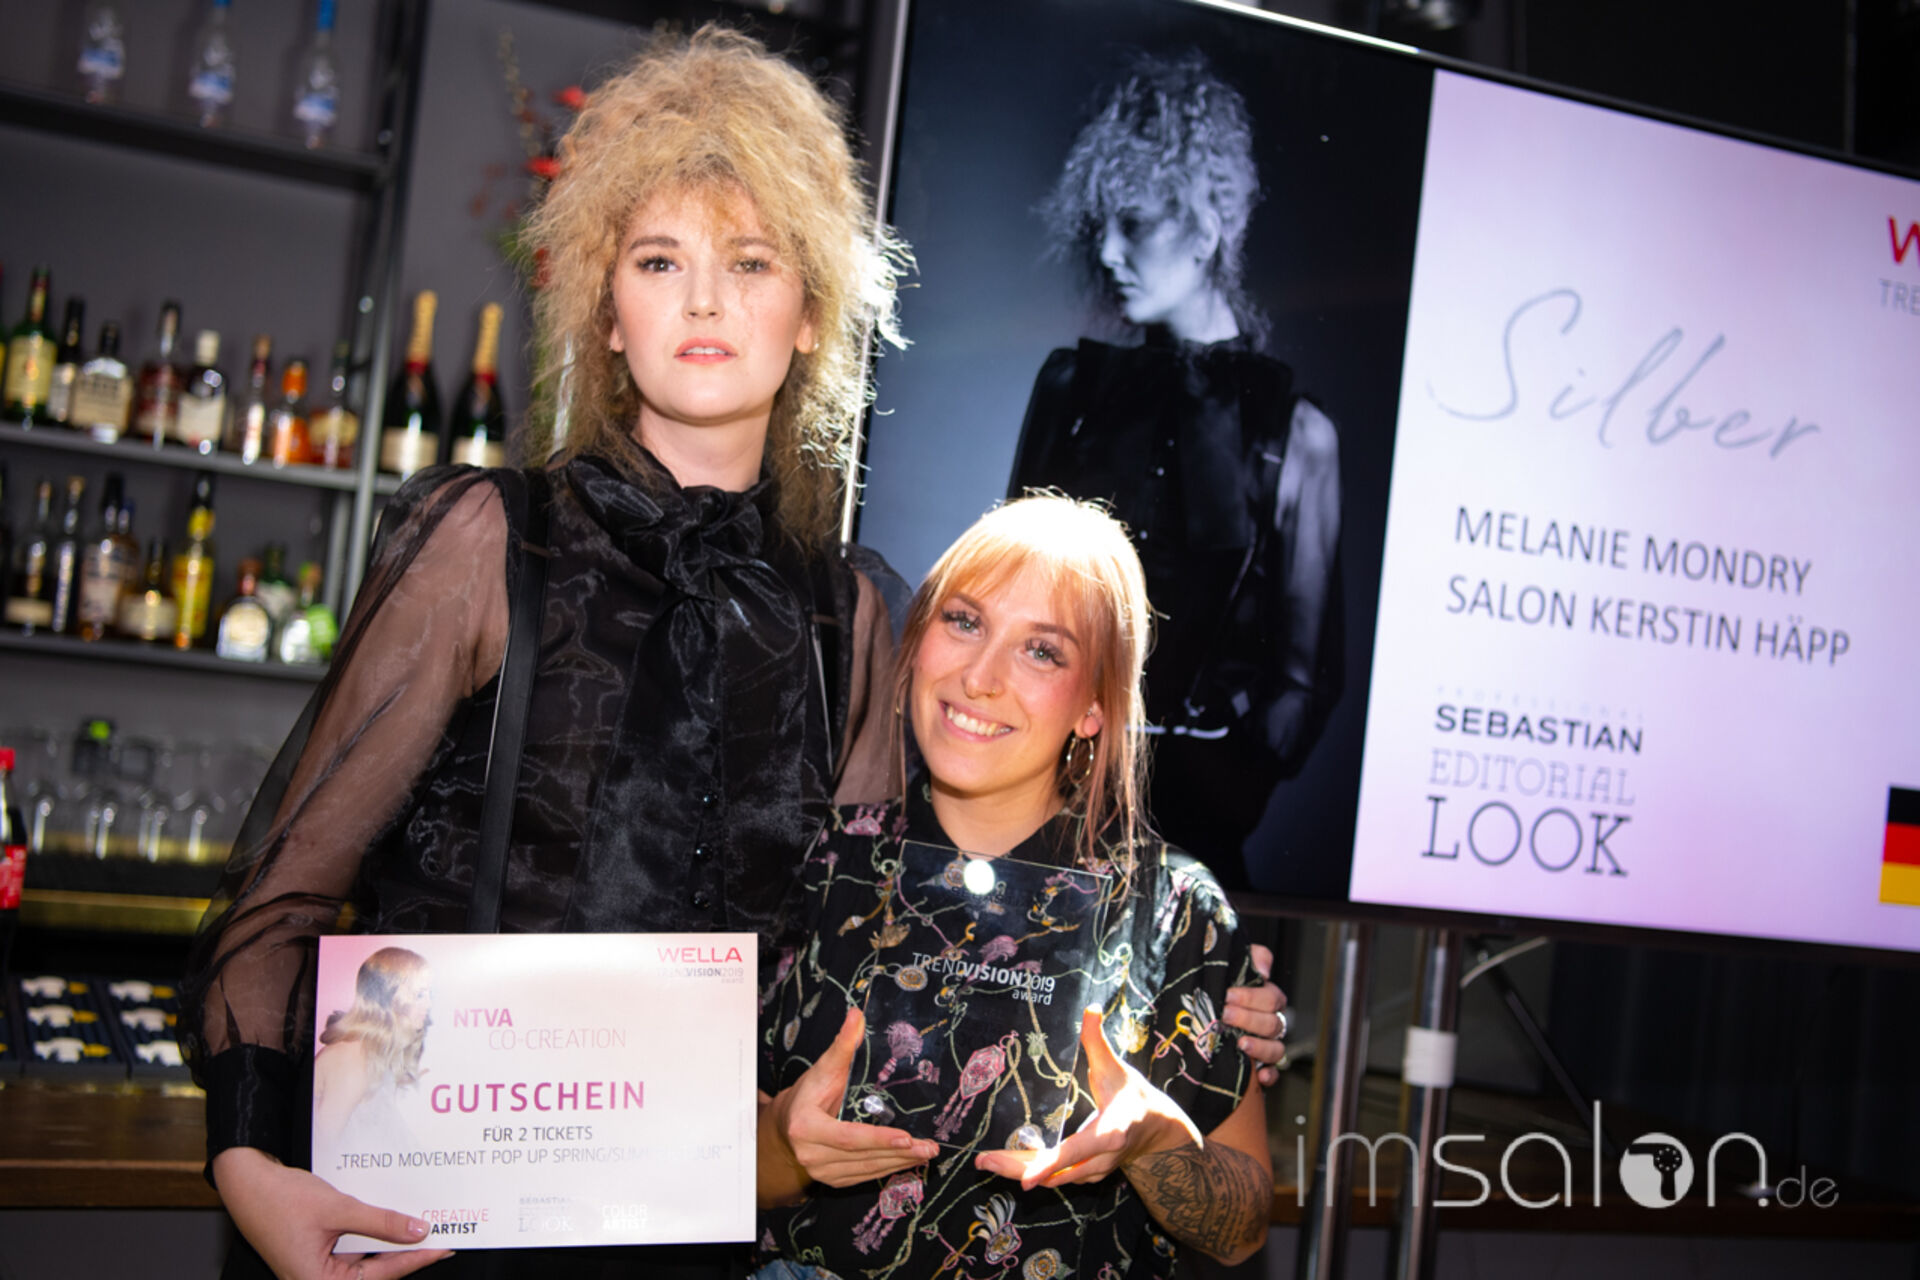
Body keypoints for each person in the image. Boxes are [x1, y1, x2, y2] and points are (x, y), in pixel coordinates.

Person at [179, 29, 1289, 1280]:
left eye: (750, 262)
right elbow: (282, 892)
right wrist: (249, 1165)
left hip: (713, 1232)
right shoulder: (487, 541)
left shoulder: (852, 610)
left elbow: (919, 907)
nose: (704, 300)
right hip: (436, 1234)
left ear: (811, 312)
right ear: (606, 310)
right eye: (660, 260)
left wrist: (1191, 986)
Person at [756, 496, 1273, 1279]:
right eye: (964, 621)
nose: (980, 677)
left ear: (1094, 706)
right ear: (917, 639)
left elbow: (1241, 1231)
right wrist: (785, 1147)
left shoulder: (1171, 909)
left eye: (1042, 651)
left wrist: (1154, 1143)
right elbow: (696, 1175)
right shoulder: (814, 861)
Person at [1006, 49, 1344, 877]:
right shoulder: (1071, 387)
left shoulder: (1296, 433)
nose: (1109, 252)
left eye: (1137, 222)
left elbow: (1304, 683)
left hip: (1195, 855)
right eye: (1102, 224)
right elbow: (1009, 607)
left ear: (1207, 225)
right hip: (1044, 830)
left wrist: (1207, 793)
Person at [312, 948, 432, 1151]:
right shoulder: (351, 1059)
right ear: (390, 997)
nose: (428, 1004)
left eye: (429, 994)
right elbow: (326, 1148)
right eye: (419, 995)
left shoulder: (368, 1054)